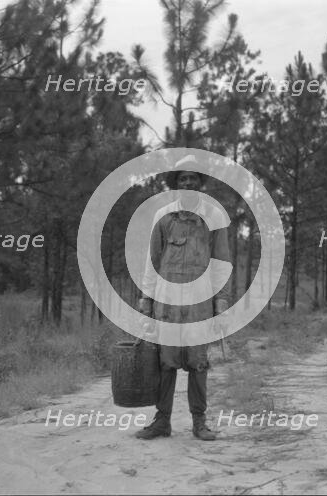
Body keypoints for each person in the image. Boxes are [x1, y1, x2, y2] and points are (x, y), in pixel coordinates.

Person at [135, 155, 231, 441]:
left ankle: (199, 422)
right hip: (167, 303)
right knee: (166, 362)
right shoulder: (163, 216)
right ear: (176, 185)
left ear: (201, 183)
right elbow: (151, 259)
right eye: (182, 178)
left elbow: (221, 262)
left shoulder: (214, 218)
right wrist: (146, 297)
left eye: (193, 177)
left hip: (200, 303)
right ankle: (162, 421)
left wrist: (221, 300)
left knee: (197, 362)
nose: (188, 182)